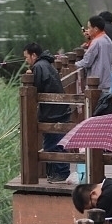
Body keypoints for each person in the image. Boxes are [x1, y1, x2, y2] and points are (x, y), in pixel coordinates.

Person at [23, 42, 71, 183]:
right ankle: (57, 174)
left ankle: (61, 174)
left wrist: (29, 77)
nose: (26, 60)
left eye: (27, 57)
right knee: (55, 143)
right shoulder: (46, 64)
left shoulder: (39, 66)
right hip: (58, 110)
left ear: (34, 55)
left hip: (53, 113)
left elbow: (35, 89)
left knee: (52, 145)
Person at [74, 15, 112, 93]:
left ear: (95, 29)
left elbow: (86, 62)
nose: (87, 30)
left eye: (89, 28)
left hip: (96, 84)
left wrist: (74, 65)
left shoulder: (96, 42)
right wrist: (90, 39)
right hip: (106, 81)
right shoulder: (108, 39)